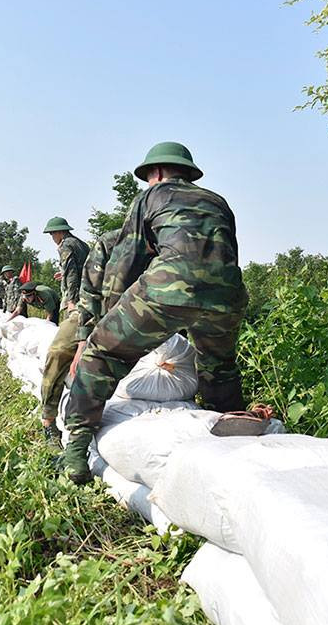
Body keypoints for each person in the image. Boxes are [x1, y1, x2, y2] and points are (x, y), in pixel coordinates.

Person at [61, 142, 249, 484]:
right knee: (218, 366)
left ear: (157, 173)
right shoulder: (218, 201)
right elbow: (227, 255)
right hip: (228, 295)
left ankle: (75, 452)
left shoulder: (150, 197)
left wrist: (106, 327)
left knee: (102, 355)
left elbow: (124, 263)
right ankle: (235, 433)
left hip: (167, 288)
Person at [37, 217, 90, 445]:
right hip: (91, 300)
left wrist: (70, 301)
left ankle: (48, 421)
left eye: (52, 235)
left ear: (58, 233)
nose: (52, 239)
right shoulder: (81, 244)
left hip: (80, 305)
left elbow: (71, 273)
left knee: (57, 355)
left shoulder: (66, 245)